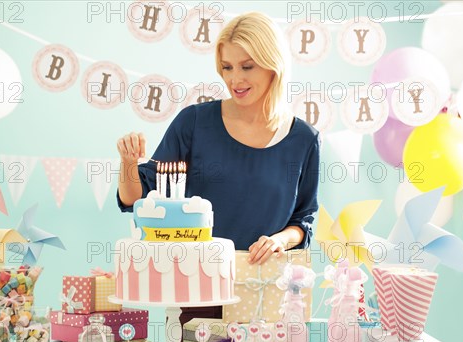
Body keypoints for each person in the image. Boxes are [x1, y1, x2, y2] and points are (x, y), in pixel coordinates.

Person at [117, 11, 320, 267]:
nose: (235, 79)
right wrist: (127, 163)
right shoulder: (193, 123)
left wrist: (280, 240)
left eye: (247, 66)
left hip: (265, 287)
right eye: (227, 67)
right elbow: (135, 199)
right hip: (197, 281)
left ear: (273, 65)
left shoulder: (304, 139)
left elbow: (304, 220)